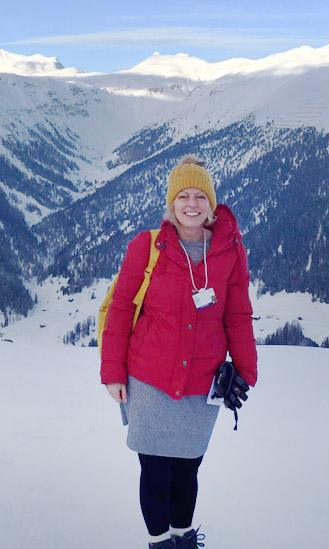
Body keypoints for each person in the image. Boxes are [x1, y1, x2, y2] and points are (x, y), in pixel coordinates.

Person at [101, 155, 258, 548]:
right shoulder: (147, 246)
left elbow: (237, 314)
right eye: (183, 196)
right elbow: (121, 308)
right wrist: (113, 373)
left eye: (200, 196)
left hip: (201, 380)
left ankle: (183, 537)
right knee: (154, 468)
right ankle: (160, 543)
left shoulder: (228, 251)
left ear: (211, 203)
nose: (192, 203)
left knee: (188, 468)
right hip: (149, 377)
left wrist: (246, 371)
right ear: (171, 204)